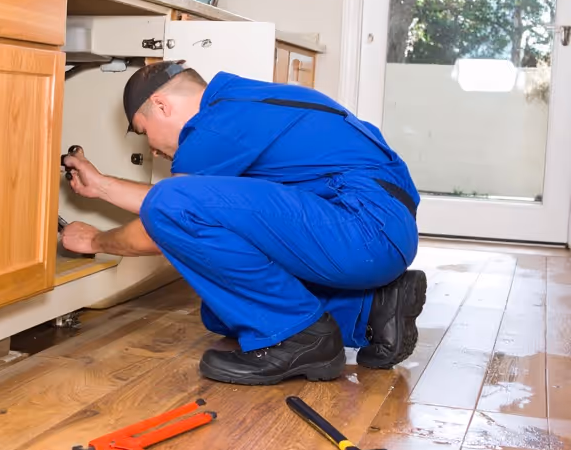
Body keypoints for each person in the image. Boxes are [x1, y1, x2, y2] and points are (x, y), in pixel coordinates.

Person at [60, 60, 427, 386]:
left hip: (363, 232)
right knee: (226, 309)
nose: (153, 149)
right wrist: (103, 186)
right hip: (372, 231)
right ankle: (372, 309)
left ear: (161, 105)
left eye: (144, 132)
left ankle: (300, 337)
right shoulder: (238, 104)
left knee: (174, 206)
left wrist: (95, 241)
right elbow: (194, 205)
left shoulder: (215, 125)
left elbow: (167, 215)